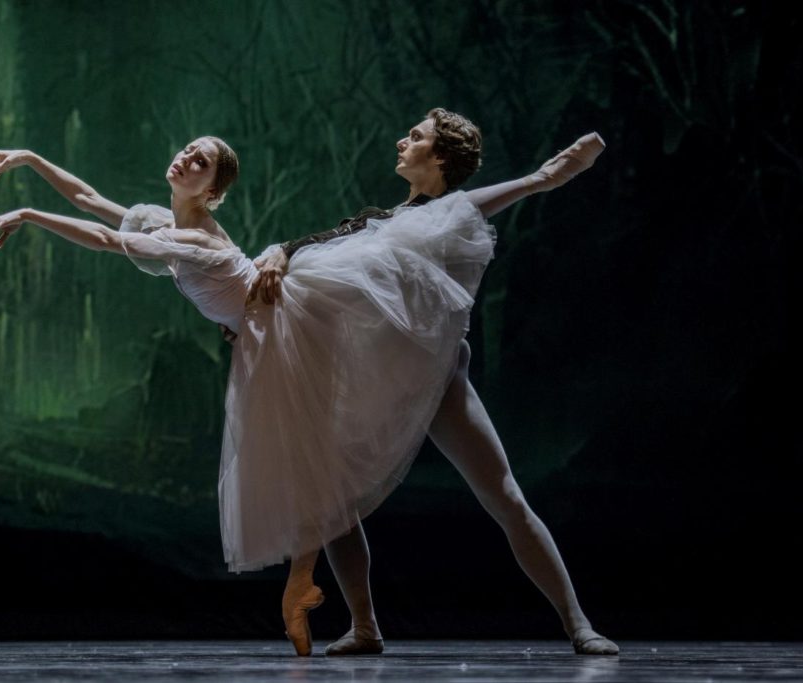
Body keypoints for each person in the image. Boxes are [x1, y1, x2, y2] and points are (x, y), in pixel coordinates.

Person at [246, 109, 618, 657]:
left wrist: (550, 175)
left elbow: (513, 190)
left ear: (440, 157)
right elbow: (313, 245)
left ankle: (578, 623)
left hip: (439, 382)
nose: (403, 140)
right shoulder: (379, 220)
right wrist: (278, 252)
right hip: (374, 385)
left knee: (505, 495)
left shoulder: (452, 212)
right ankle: (365, 626)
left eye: (415, 136)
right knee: (333, 503)